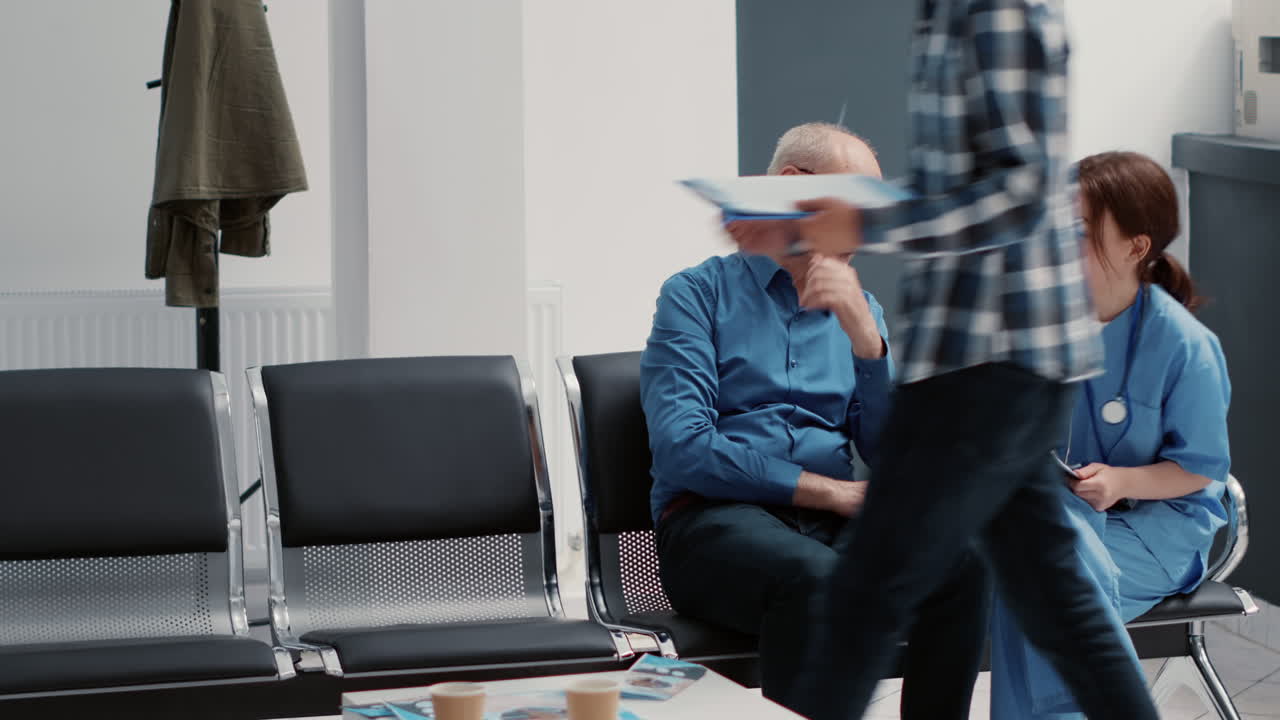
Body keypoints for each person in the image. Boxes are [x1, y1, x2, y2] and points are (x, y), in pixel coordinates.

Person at [730, 2, 1162, 719]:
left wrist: (858, 220)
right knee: (1057, 603)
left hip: (990, 358)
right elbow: (971, 192)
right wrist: (809, 218)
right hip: (988, 354)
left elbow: (1021, 193)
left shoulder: (995, 8)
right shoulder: (951, 13)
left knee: (866, 593)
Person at [641, 123, 990, 718]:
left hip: (831, 532)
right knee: (822, 580)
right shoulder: (695, 295)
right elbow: (684, 448)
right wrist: (832, 492)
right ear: (790, 186)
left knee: (962, 564)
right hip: (714, 525)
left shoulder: (862, 309)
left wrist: (867, 342)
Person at [989, 151, 1232, 719]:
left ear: (1135, 247)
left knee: (1047, 570)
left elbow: (1199, 469)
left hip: (1160, 526)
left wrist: (1121, 481)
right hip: (1062, 515)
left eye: (1077, 231)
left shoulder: (1186, 346)